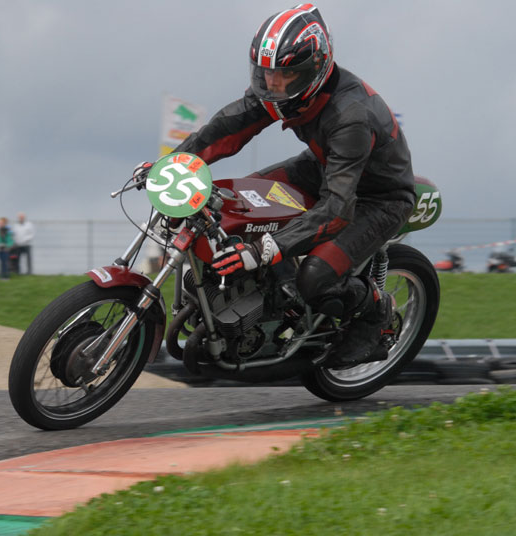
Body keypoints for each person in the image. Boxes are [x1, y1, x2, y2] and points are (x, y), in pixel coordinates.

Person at [134, 5, 415, 368]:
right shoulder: (279, 90)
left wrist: (264, 249)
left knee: (314, 277)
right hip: (322, 168)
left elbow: (337, 209)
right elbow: (224, 131)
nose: (273, 84)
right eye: (265, 73)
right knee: (237, 205)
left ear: (316, 68)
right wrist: (171, 164)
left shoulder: (351, 117)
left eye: (286, 75)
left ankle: (374, 311)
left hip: (377, 198)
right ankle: (273, 297)